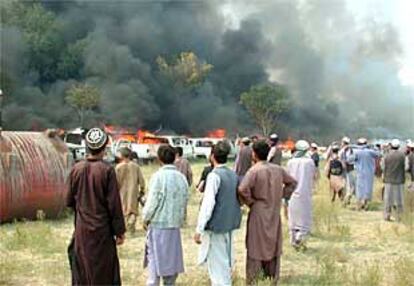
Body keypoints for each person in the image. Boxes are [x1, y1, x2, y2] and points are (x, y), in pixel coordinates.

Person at [66, 127, 126, 286]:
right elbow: (114, 206)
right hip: (102, 234)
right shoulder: (107, 170)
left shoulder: (76, 169)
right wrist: (120, 231)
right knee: (103, 272)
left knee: (83, 271)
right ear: (104, 147)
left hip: (82, 232)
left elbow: (68, 201)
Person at [238, 140, 297, 284]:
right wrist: (282, 195)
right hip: (273, 210)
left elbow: (242, 189)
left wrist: (250, 202)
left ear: (254, 154)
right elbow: (293, 182)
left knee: (255, 245)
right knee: (272, 244)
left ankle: (254, 279)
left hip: (258, 210)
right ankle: (271, 278)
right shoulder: (278, 169)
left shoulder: (254, 170)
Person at [194, 141, 242, 286]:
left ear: (212, 156)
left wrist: (199, 229)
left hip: (216, 227)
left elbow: (208, 205)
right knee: (225, 262)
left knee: (217, 268)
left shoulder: (214, 176)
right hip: (229, 224)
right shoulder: (233, 175)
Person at [142, 145, 189, 286]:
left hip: (158, 225)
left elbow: (152, 202)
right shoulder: (181, 178)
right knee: (171, 262)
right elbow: (185, 199)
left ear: (159, 159)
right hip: (174, 226)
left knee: (155, 262)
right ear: (175, 157)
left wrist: (145, 218)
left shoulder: (158, 177)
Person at [286, 140, 315, 249]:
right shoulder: (310, 162)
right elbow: (313, 176)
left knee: (293, 217)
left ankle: (293, 239)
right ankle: (300, 238)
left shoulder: (290, 162)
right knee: (304, 217)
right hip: (305, 192)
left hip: (293, 192)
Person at [115, 147, 146, 234]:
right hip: (133, 193)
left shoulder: (118, 167)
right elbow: (142, 181)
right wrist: (142, 190)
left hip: (122, 193)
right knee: (133, 210)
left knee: (124, 210)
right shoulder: (136, 166)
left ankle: (126, 228)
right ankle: (131, 227)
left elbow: (115, 182)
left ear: (121, 155)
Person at [354, 138, 380, 210]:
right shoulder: (370, 152)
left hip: (360, 173)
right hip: (369, 173)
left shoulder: (357, 152)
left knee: (360, 188)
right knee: (368, 188)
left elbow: (350, 159)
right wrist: (375, 148)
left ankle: (360, 204)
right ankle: (365, 203)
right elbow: (379, 154)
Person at [382, 139, 406, 221]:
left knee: (388, 199)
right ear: (398, 146)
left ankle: (387, 215)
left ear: (391, 146)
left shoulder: (386, 155)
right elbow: (406, 167)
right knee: (399, 199)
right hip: (399, 180)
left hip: (388, 180)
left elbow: (382, 167)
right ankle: (400, 216)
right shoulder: (403, 155)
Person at [340, 137, 356, 206]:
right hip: (346, 171)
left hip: (349, 170)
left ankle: (347, 199)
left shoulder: (350, 151)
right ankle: (346, 199)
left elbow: (350, 160)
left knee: (349, 186)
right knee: (346, 186)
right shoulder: (343, 151)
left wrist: (345, 162)